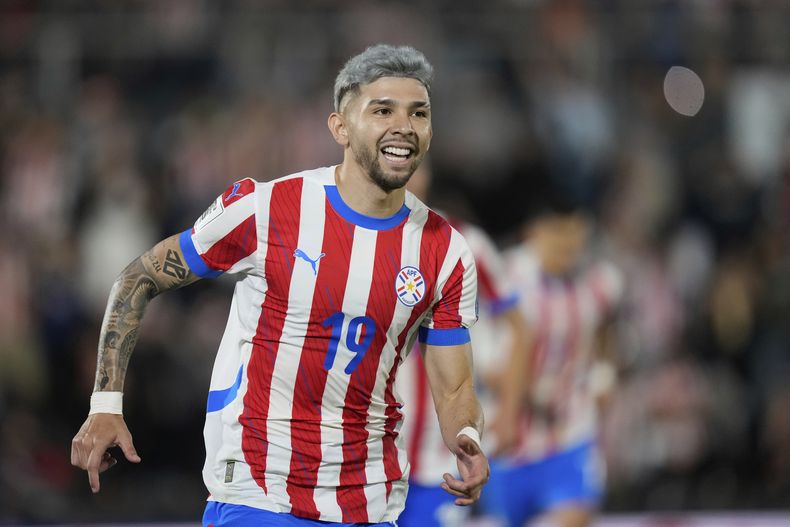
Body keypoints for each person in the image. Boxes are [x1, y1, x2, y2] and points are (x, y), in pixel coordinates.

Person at [70, 44, 489, 526]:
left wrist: (468, 437)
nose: (404, 125)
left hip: (370, 500)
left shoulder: (445, 251)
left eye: (419, 113)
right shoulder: (266, 208)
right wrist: (105, 405)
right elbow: (138, 278)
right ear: (340, 127)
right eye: (382, 111)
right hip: (258, 492)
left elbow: (455, 388)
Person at [395, 164, 529, 527]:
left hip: (438, 458)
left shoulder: (465, 242)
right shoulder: (350, 240)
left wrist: (510, 410)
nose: (407, 176)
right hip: (368, 455)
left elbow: (518, 326)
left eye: (416, 165)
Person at [481, 191, 623, 527]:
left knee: (576, 514)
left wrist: (604, 373)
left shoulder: (599, 281)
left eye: (575, 234)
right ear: (534, 232)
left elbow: (606, 327)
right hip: (509, 440)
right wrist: (524, 389)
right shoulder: (503, 280)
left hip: (571, 434)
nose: (568, 245)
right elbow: (480, 358)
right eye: (559, 234)